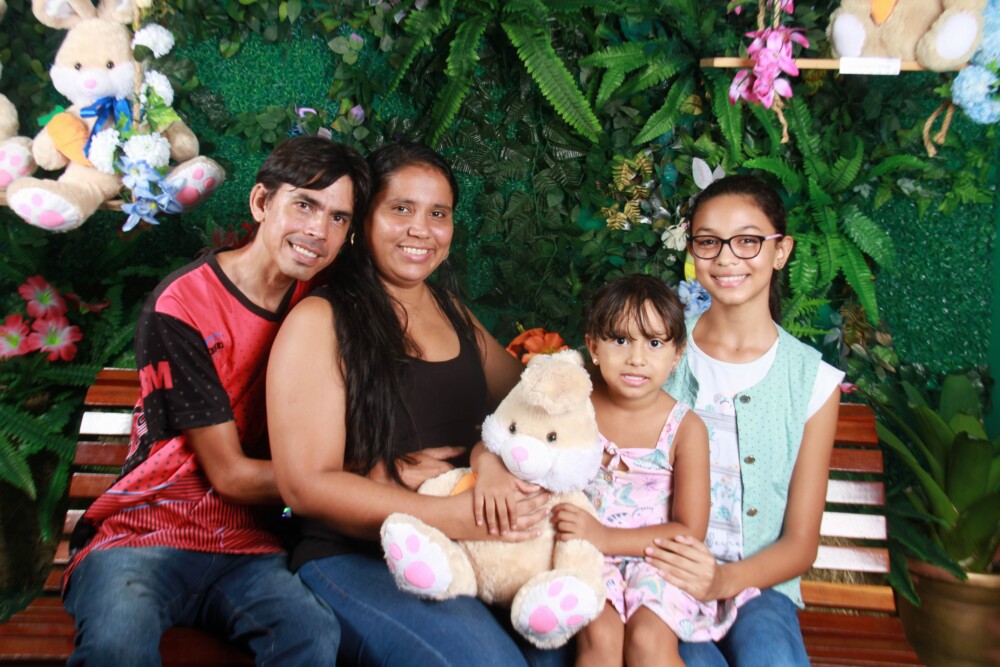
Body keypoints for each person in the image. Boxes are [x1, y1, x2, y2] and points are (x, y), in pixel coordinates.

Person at [62, 136, 372, 666]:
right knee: (118, 642)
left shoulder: (324, 301)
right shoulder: (182, 305)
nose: (319, 231)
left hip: (250, 547)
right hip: (145, 534)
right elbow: (229, 475)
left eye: (338, 218)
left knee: (312, 634)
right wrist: (360, 475)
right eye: (304, 204)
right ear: (260, 202)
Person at [267, 141, 564, 667]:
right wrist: (450, 515)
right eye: (401, 209)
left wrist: (490, 460)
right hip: (358, 556)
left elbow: (533, 405)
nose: (421, 230)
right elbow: (303, 488)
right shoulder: (320, 321)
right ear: (363, 219)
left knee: (561, 650)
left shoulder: (452, 311)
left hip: (475, 550)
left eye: (438, 214)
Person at [644, 175, 844, 666]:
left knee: (772, 658)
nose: (727, 258)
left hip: (759, 585)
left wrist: (723, 581)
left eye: (748, 240)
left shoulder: (812, 381)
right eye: (709, 241)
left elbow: (800, 543)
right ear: (692, 250)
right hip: (660, 573)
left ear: (781, 251)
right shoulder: (657, 351)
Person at [551, 275, 757, 667]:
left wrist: (605, 537)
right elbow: (515, 438)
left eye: (655, 343)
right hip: (586, 555)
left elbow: (688, 531)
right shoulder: (576, 404)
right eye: (620, 340)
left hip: (658, 559)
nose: (637, 358)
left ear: (677, 353)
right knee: (600, 638)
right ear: (593, 346)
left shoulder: (685, 428)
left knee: (647, 640)